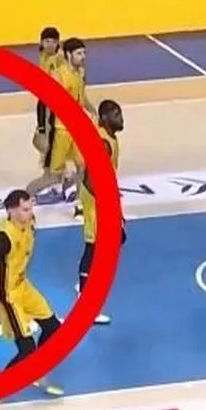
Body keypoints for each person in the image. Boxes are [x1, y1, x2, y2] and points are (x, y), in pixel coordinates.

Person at [0, 190, 65, 410]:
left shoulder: (30, 223)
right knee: (26, 349)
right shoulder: (2, 239)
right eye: (25, 210)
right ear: (11, 210)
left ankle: (33, 371)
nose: (30, 213)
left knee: (53, 328)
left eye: (30, 208)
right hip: (8, 295)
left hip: (23, 286)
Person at [77, 99, 127, 325]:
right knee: (94, 247)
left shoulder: (110, 138)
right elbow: (90, 180)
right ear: (105, 118)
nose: (121, 119)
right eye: (117, 115)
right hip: (96, 201)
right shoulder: (103, 143)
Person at [27, 37, 93, 201]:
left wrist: (92, 110)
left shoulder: (80, 73)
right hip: (61, 130)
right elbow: (48, 105)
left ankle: (76, 197)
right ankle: (26, 195)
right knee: (52, 175)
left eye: (84, 53)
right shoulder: (58, 76)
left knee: (84, 164)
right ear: (69, 55)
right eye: (79, 53)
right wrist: (44, 131)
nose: (83, 57)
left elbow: (81, 96)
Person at [32, 26, 64, 171]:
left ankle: (56, 168)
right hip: (44, 101)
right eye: (47, 41)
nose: (50, 44)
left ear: (58, 43)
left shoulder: (59, 58)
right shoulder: (43, 55)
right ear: (42, 42)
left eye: (53, 41)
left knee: (52, 137)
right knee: (43, 134)